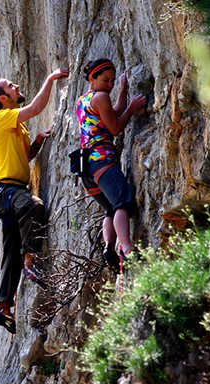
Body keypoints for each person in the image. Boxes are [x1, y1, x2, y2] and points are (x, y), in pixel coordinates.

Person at [0, 67, 69, 334]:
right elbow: (34, 108)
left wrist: (37, 142)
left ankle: (3, 308)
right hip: (7, 191)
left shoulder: (16, 128)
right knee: (34, 206)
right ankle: (31, 262)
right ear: (3, 98)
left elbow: (25, 158)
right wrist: (51, 78)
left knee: (10, 251)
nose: (16, 86)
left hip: (8, 193)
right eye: (11, 86)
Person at [75, 58, 146, 270]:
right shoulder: (101, 97)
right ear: (92, 77)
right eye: (106, 80)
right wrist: (132, 108)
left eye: (113, 80)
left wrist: (123, 90)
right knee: (122, 200)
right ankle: (127, 247)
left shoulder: (83, 100)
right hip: (101, 159)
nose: (110, 84)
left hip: (85, 166)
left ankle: (109, 246)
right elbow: (115, 128)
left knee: (109, 208)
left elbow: (112, 113)